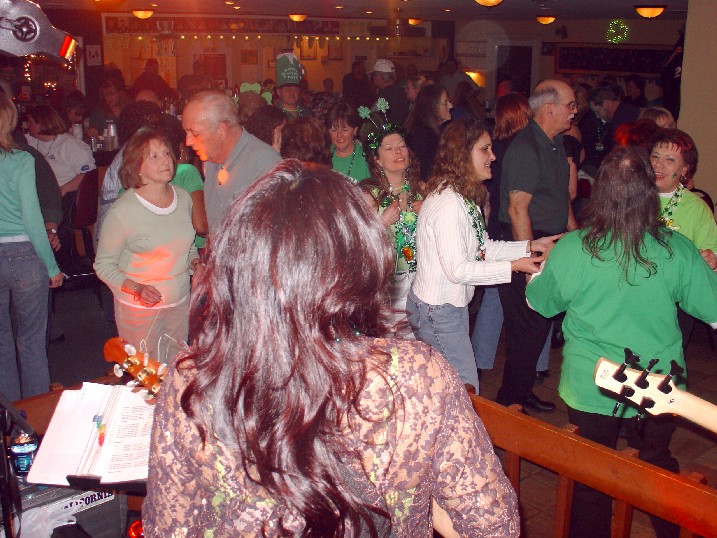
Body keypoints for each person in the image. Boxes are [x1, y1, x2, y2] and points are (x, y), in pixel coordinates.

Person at [142, 159, 520, 537]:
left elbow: (170, 530)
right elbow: (493, 528)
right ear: (362, 265)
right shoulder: (418, 377)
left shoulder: (193, 380)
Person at [526, 145, 717, 538]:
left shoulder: (574, 247)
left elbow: (539, 303)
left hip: (592, 382)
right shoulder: (676, 247)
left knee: (591, 477)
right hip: (657, 384)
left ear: (601, 192)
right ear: (648, 192)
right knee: (656, 463)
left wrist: (537, 275)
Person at [407, 118, 559, 394]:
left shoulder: (463, 196)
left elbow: (482, 246)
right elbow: (458, 270)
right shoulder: (448, 203)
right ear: (463, 154)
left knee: (452, 391)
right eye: (484, 149)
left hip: (446, 308)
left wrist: (529, 246)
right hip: (437, 311)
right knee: (465, 392)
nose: (493, 156)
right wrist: (514, 266)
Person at [496, 79, 577, 413]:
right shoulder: (526, 148)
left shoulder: (555, 144)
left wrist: (574, 232)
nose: (574, 111)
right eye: (570, 105)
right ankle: (509, 403)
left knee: (538, 324)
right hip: (526, 242)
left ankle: (520, 391)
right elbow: (518, 209)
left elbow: (560, 196)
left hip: (547, 241)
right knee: (527, 326)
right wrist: (529, 260)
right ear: (549, 108)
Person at [94, 128, 201, 364]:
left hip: (179, 302)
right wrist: (137, 289)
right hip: (140, 309)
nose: (165, 160)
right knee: (146, 372)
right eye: (154, 156)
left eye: (166, 153)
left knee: (176, 370)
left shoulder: (183, 198)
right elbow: (103, 265)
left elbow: (187, 245)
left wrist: (195, 262)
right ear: (137, 166)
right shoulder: (123, 211)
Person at [0, 95, 63, 401]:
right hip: (24, 255)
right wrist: (51, 267)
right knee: (31, 343)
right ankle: (36, 418)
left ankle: (11, 418)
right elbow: (32, 218)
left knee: (1, 343)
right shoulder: (22, 160)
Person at [650, 129, 717, 348]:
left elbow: (712, 252)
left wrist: (711, 258)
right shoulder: (631, 197)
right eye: (655, 156)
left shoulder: (696, 208)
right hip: (634, 295)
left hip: (677, 302)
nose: (658, 165)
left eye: (669, 160)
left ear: (684, 170)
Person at [182, 90, 281, 229]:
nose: (188, 142)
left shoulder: (265, 164)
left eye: (196, 134)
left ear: (221, 130)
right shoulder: (210, 160)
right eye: (186, 132)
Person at [361, 123, 423, 336]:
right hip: (389, 287)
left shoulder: (421, 190)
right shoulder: (369, 195)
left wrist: (430, 212)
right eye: (389, 148)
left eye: (402, 146)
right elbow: (357, 244)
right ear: (377, 160)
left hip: (421, 282)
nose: (398, 152)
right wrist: (381, 223)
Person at [580, 83, 639, 176]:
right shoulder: (620, 113)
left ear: (606, 103)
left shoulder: (626, 118)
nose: (597, 116)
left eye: (597, 111)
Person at [405, 84, 452, 181]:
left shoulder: (436, 131)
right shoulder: (425, 137)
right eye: (445, 103)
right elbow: (427, 173)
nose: (450, 106)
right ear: (432, 107)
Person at [325, 102, 370, 182]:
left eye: (345, 130)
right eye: (334, 130)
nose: (339, 135)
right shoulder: (322, 156)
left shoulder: (367, 159)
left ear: (355, 130)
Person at [88, 68, 131, 138]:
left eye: (112, 93)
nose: (109, 97)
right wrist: (91, 132)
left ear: (120, 92)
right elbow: (92, 133)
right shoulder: (98, 111)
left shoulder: (129, 108)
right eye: (106, 94)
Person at [372, 59, 410, 127]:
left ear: (379, 77)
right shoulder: (403, 92)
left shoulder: (384, 96)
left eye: (374, 75)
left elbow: (375, 121)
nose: (373, 78)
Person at [274, 53, 312, 119]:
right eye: (287, 89)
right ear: (278, 92)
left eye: (295, 89)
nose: (292, 92)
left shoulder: (307, 114)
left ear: (299, 91)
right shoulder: (272, 115)